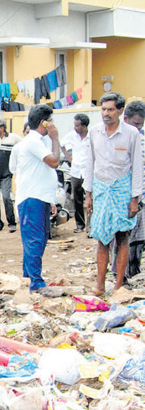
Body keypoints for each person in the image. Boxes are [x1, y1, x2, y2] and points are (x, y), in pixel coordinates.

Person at [85, 92, 143, 295]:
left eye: (110, 109)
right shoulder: (94, 132)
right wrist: (88, 194)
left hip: (123, 190)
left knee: (122, 238)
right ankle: (100, 286)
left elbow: (137, 167)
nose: (106, 113)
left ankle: (118, 285)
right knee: (102, 239)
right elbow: (89, 163)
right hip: (101, 189)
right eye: (103, 109)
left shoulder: (131, 134)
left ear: (120, 111)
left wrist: (136, 199)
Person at [9, 104, 61, 297]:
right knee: (34, 240)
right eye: (51, 122)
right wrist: (56, 138)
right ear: (44, 123)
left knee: (37, 239)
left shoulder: (38, 141)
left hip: (40, 197)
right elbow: (54, 162)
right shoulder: (33, 141)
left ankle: (28, 277)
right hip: (32, 198)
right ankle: (36, 282)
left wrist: (51, 199)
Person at [123, 101, 145, 277]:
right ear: (126, 119)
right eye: (135, 123)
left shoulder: (142, 139)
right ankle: (120, 274)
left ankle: (133, 271)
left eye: (141, 124)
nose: (138, 127)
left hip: (142, 196)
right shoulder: (120, 139)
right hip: (124, 196)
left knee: (139, 237)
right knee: (123, 237)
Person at [59, 113, 90, 234]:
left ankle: (90, 227)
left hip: (88, 171)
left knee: (90, 199)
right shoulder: (72, 136)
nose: (74, 128)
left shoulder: (92, 136)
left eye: (77, 125)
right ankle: (80, 225)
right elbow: (62, 144)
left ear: (84, 126)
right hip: (76, 171)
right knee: (76, 199)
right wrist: (69, 158)